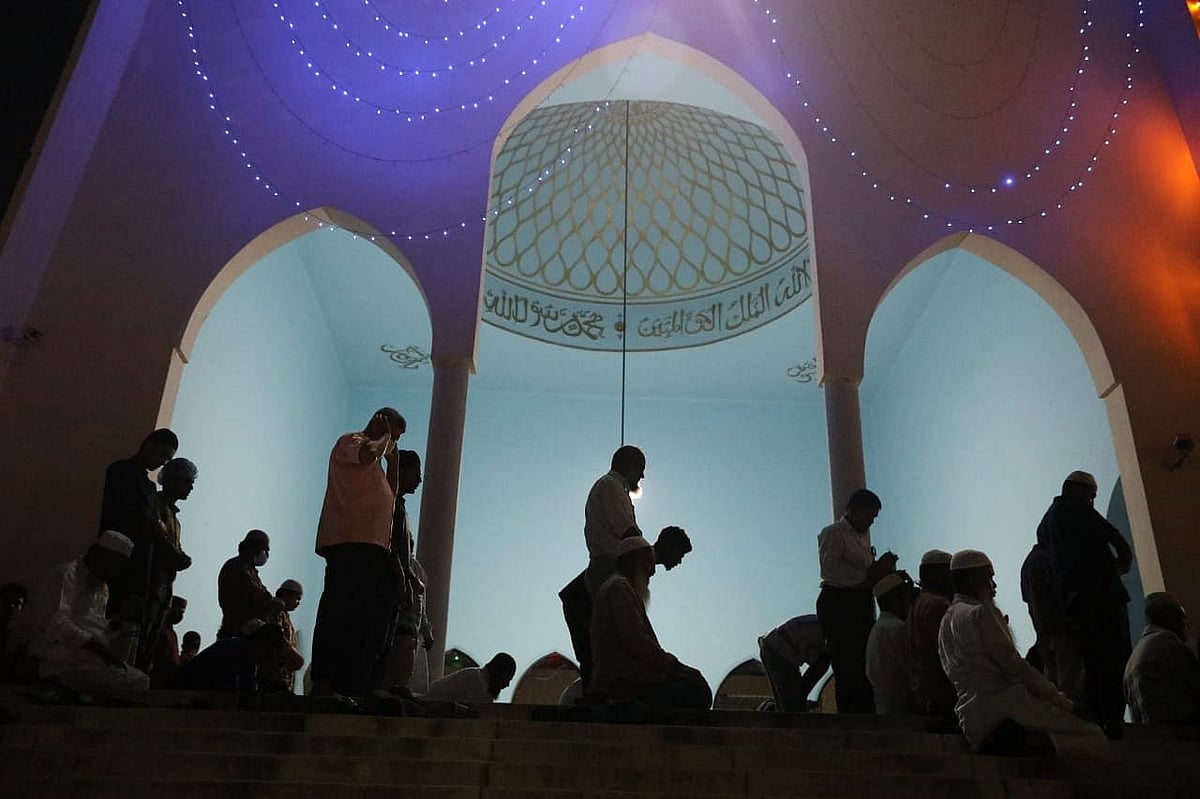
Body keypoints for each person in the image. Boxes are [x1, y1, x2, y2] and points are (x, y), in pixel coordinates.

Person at [938, 549, 1102, 755]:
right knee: (1094, 738)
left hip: (973, 723)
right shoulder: (980, 612)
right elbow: (1014, 666)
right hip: (1005, 711)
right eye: (989, 578)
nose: (993, 587)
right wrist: (1064, 703)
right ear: (973, 579)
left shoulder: (946, 621)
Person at [310, 408, 405, 697]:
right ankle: (325, 680)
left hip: (372, 549)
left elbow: (391, 497)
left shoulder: (377, 468)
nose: (394, 442)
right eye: (395, 435)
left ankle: (353, 683)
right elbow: (367, 454)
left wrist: (395, 461)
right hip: (347, 543)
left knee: (364, 621)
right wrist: (384, 437)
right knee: (338, 612)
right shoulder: (351, 442)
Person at [1036, 470, 1133, 737]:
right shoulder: (1078, 510)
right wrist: (1121, 565)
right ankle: (1112, 723)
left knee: (1090, 664)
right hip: (1103, 598)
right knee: (1113, 659)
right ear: (1078, 491)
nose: (1092, 501)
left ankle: (1097, 720)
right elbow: (1121, 544)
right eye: (1091, 495)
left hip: (1073, 606)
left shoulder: (1046, 525)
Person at [16, 531, 150, 694]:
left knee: (140, 677)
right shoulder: (66, 574)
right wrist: (99, 648)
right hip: (59, 661)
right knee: (136, 683)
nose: (114, 571)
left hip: (90, 660)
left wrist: (119, 619)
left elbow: (95, 628)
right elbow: (57, 625)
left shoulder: (102, 588)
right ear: (95, 554)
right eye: (112, 564)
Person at [561, 524, 692, 689]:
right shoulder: (632, 562)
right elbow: (629, 633)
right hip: (581, 602)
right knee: (592, 661)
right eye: (680, 554)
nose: (679, 561)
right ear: (669, 545)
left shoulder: (640, 567)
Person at [590, 535, 711, 710]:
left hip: (629, 677)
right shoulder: (619, 589)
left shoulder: (622, 588)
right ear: (634, 562)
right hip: (622, 681)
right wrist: (672, 665)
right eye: (648, 567)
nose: (651, 573)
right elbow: (636, 642)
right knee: (697, 689)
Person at [816, 488, 895, 713]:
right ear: (855, 510)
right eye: (869, 515)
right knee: (846, 662)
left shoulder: (860, 539)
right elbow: (830, 572)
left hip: (859, 602)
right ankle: (851, 712)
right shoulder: (834, 533)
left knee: (862, 660)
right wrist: (871, 575)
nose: (871, 522)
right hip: (840, 602)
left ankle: (863, 708)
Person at [100, 428, 179, 617]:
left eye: (167, 460)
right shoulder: (121, 471)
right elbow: (119, 516)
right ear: (149, 445)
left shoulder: (150, 487)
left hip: (139, 569)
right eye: (162, 455)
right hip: (114, 560)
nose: (162, 462)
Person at [132, 457, 196, 671]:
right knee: (137, 639)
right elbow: (157, 539)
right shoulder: (155, 504)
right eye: (187, 481)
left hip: (162, 587)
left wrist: (181, 556)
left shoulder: (175, 519)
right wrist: (177, 557)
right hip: (146, 581)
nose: (191, 487)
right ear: (172, 480)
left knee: (150, 642)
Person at [375, 450, 428, 696]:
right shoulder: (389, 502)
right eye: (416, 473)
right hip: (387, 588)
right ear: (402, 471)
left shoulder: (397, 505)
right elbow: (390, 546)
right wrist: (404, 579)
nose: (419, 480)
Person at [1124, 592, 1200, 723]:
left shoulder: (1132, 660)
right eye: (1181, 615)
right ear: (1172, 616)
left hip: (1155, 738)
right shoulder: (1167, 642)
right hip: (1182, 734)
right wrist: (1190, 642)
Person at [1020, 541, 1080, 697]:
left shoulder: (1028, 565)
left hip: (1043, 634)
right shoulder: (1049, 559)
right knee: (1070, 687)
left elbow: (1028, 600)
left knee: (1053, 687)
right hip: (1060, 631)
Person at [175, 621, 296, 693]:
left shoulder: (243, 652)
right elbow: (235, 690)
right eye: (269, 652)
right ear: (261, 644)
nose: (268, 657)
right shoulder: (235, 651)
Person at [908, 549, 956, 716]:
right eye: (950, 574)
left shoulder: (920, 602)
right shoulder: (938, 605)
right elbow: (950, 655)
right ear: (937, 575)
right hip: (938, 690)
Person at [216, 530, 283, 639]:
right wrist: (274, 602)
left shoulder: (250, 570)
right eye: (265, 550)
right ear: (254, 547)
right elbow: (255, 594)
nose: (266, 554)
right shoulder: (237, 566)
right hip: (238, 631)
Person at [757, 614, 830, 713]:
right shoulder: (829, 631)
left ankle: (787, 707)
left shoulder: (822, 624)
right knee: (791, 709)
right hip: (779, 650)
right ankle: (779, 709)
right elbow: (818, 666)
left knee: (789, 705)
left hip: (774, 646)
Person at [866, 572, 914, 715]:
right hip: (901, 710)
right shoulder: (896, 628)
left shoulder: (879, 628)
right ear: (896, 600)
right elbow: (910, 670)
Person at [261, 579, 305, 693]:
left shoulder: (285, 617)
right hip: (273, 675)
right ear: (286, 594)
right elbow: (275, 640)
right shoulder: (276, 611)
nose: (298, 603)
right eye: (297, 598)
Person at [423, 652, 516, 704]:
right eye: (506, 679)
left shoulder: (477, 679)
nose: (507, 685)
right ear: (497, 672)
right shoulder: (476, 680)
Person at [150, 595, 187, 687]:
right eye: (179, 611)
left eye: (183, 613)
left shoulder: (172, 634)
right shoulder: (160, 630)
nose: (181, 615)